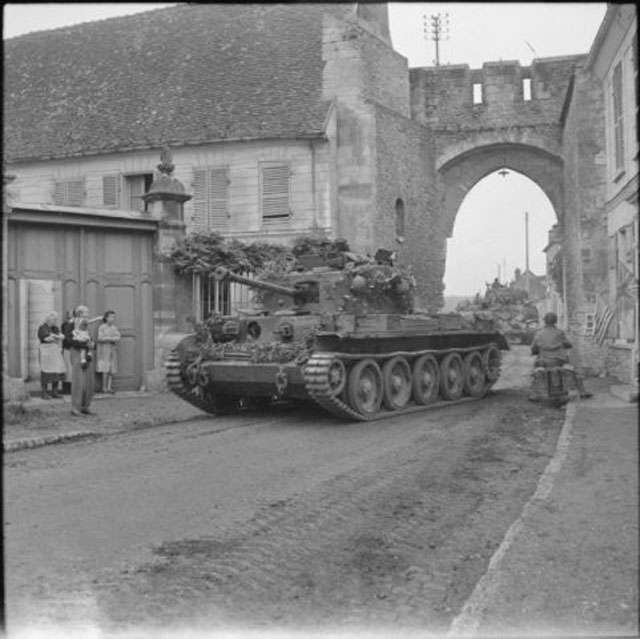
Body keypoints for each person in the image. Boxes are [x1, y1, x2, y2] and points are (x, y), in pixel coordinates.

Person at [529, 312, 593, 400]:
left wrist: (535, 351)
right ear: (555, 321)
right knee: (575, 370)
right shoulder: (559, 333)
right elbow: (568, 344)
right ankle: (582, 391)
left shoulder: (539, 333)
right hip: (559, 360)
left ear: (545, 321)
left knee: (535, 372)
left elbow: (533, 347)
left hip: (543, 360)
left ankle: (534, 394)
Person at [64, 305, 102, 416]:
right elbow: (69, 340)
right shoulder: (70, 324)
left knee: (89, 381)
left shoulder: (85, 325)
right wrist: (85, 345)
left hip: (87, 353)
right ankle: (75, 408)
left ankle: (85, 406)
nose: (88, 314)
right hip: (77, 352)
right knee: (79, 381)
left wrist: (92, 345)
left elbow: (88, 337)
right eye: (86, 312)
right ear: (79, 313)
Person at [37, 312, 66, 399]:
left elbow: (62, 336)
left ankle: (54, 391)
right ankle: (44, 392)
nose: (55, 321)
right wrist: (55, 337)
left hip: (55, 350)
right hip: (46, 351)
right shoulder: (42, 327)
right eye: (53, 319)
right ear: (48, 319)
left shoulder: (55, 328)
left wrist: (53, 336)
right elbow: (46, 338)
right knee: (46, 371)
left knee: (57, 370)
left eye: (55, 319)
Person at [96, 310, 121, 394]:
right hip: (104, 350)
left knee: (111, 369)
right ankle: (104, 387)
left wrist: (108, 338)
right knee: (105, 368)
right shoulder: (102, 327)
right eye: (111, 317)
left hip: (112, 349)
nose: (112, 319)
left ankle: (109, 386)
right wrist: (110, 338)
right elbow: (100, 338)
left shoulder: (114, 328)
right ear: (106, 318)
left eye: (113, 317)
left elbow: (118, 337)